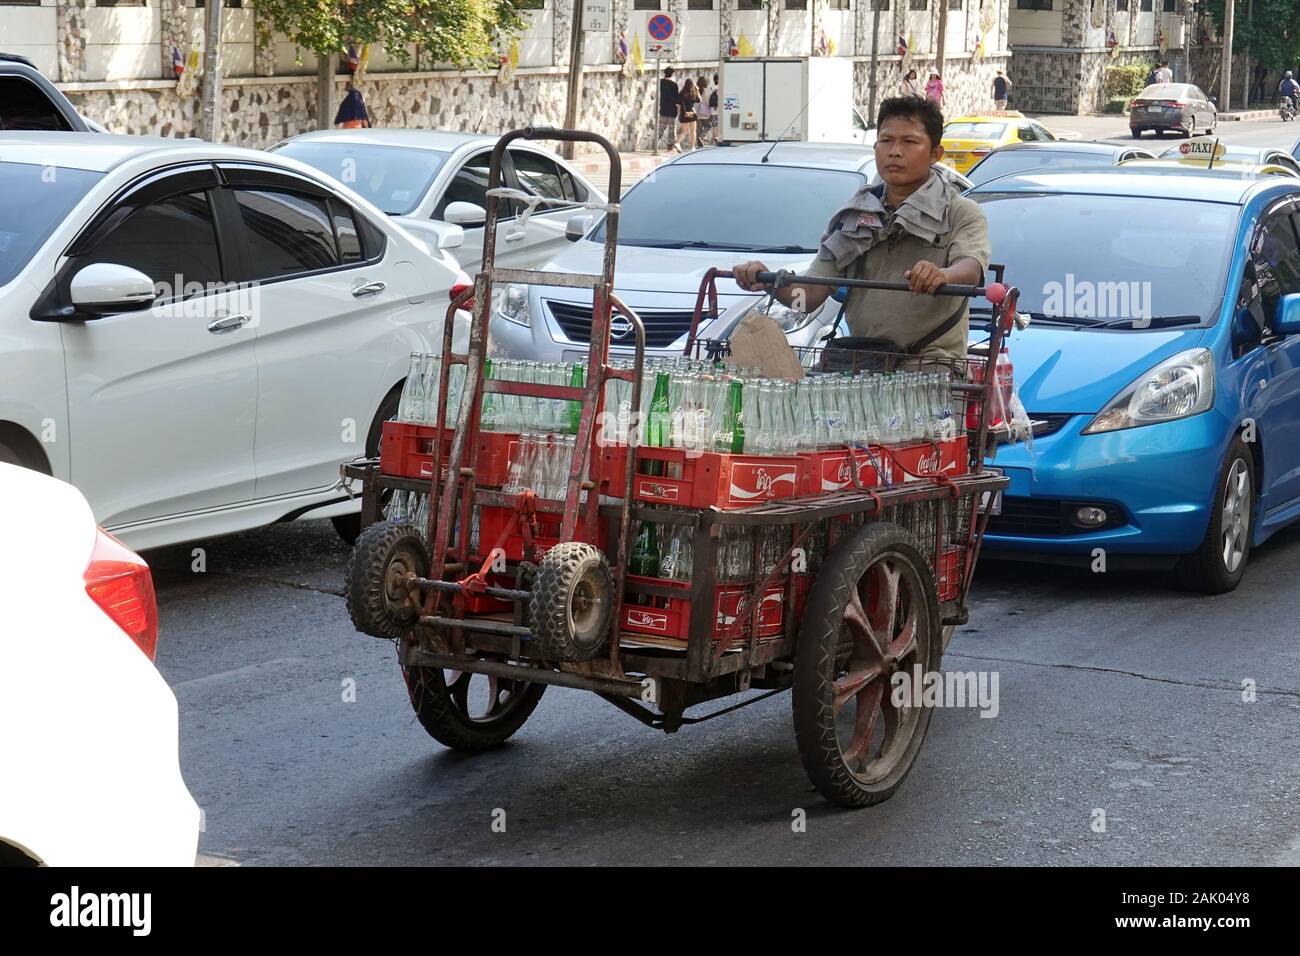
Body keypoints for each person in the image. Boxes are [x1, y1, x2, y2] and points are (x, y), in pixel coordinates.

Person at [731, 96, 991, 363]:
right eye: (886, 141)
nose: (895, 151)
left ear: (935, 154)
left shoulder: (960, 212)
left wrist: (943, 276)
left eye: (910, 142)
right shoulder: (854, 216)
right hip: (863, 366)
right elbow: (807, 298)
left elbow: (970, 270)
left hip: (931, 368)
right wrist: (767, 281)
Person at [658, 67, 680, 151]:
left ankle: (656, 144)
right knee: (672, 129)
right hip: (672, 110)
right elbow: (676, 99)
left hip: (663, 109)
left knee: (661, 128)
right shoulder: (674, 85)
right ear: (672, 74)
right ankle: (670, 146)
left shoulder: (660, 83)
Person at [677, 77, 701, 151]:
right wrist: (697, 90)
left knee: (684, 131)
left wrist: (679, 113)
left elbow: (678, 104)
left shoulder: (681, 93)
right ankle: (692, 147)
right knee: (693, 131)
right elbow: (699, 100)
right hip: (691, 113)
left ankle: (677, 143)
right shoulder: (693, 93)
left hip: (683, 114)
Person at [696, 75, 713, 146]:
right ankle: (702, 136)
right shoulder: (707, 91)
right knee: (708, 126)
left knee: (698, 129)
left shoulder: (696, 90)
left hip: (697, 113)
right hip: (705, 113)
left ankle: (699, 143)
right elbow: (708, 102)